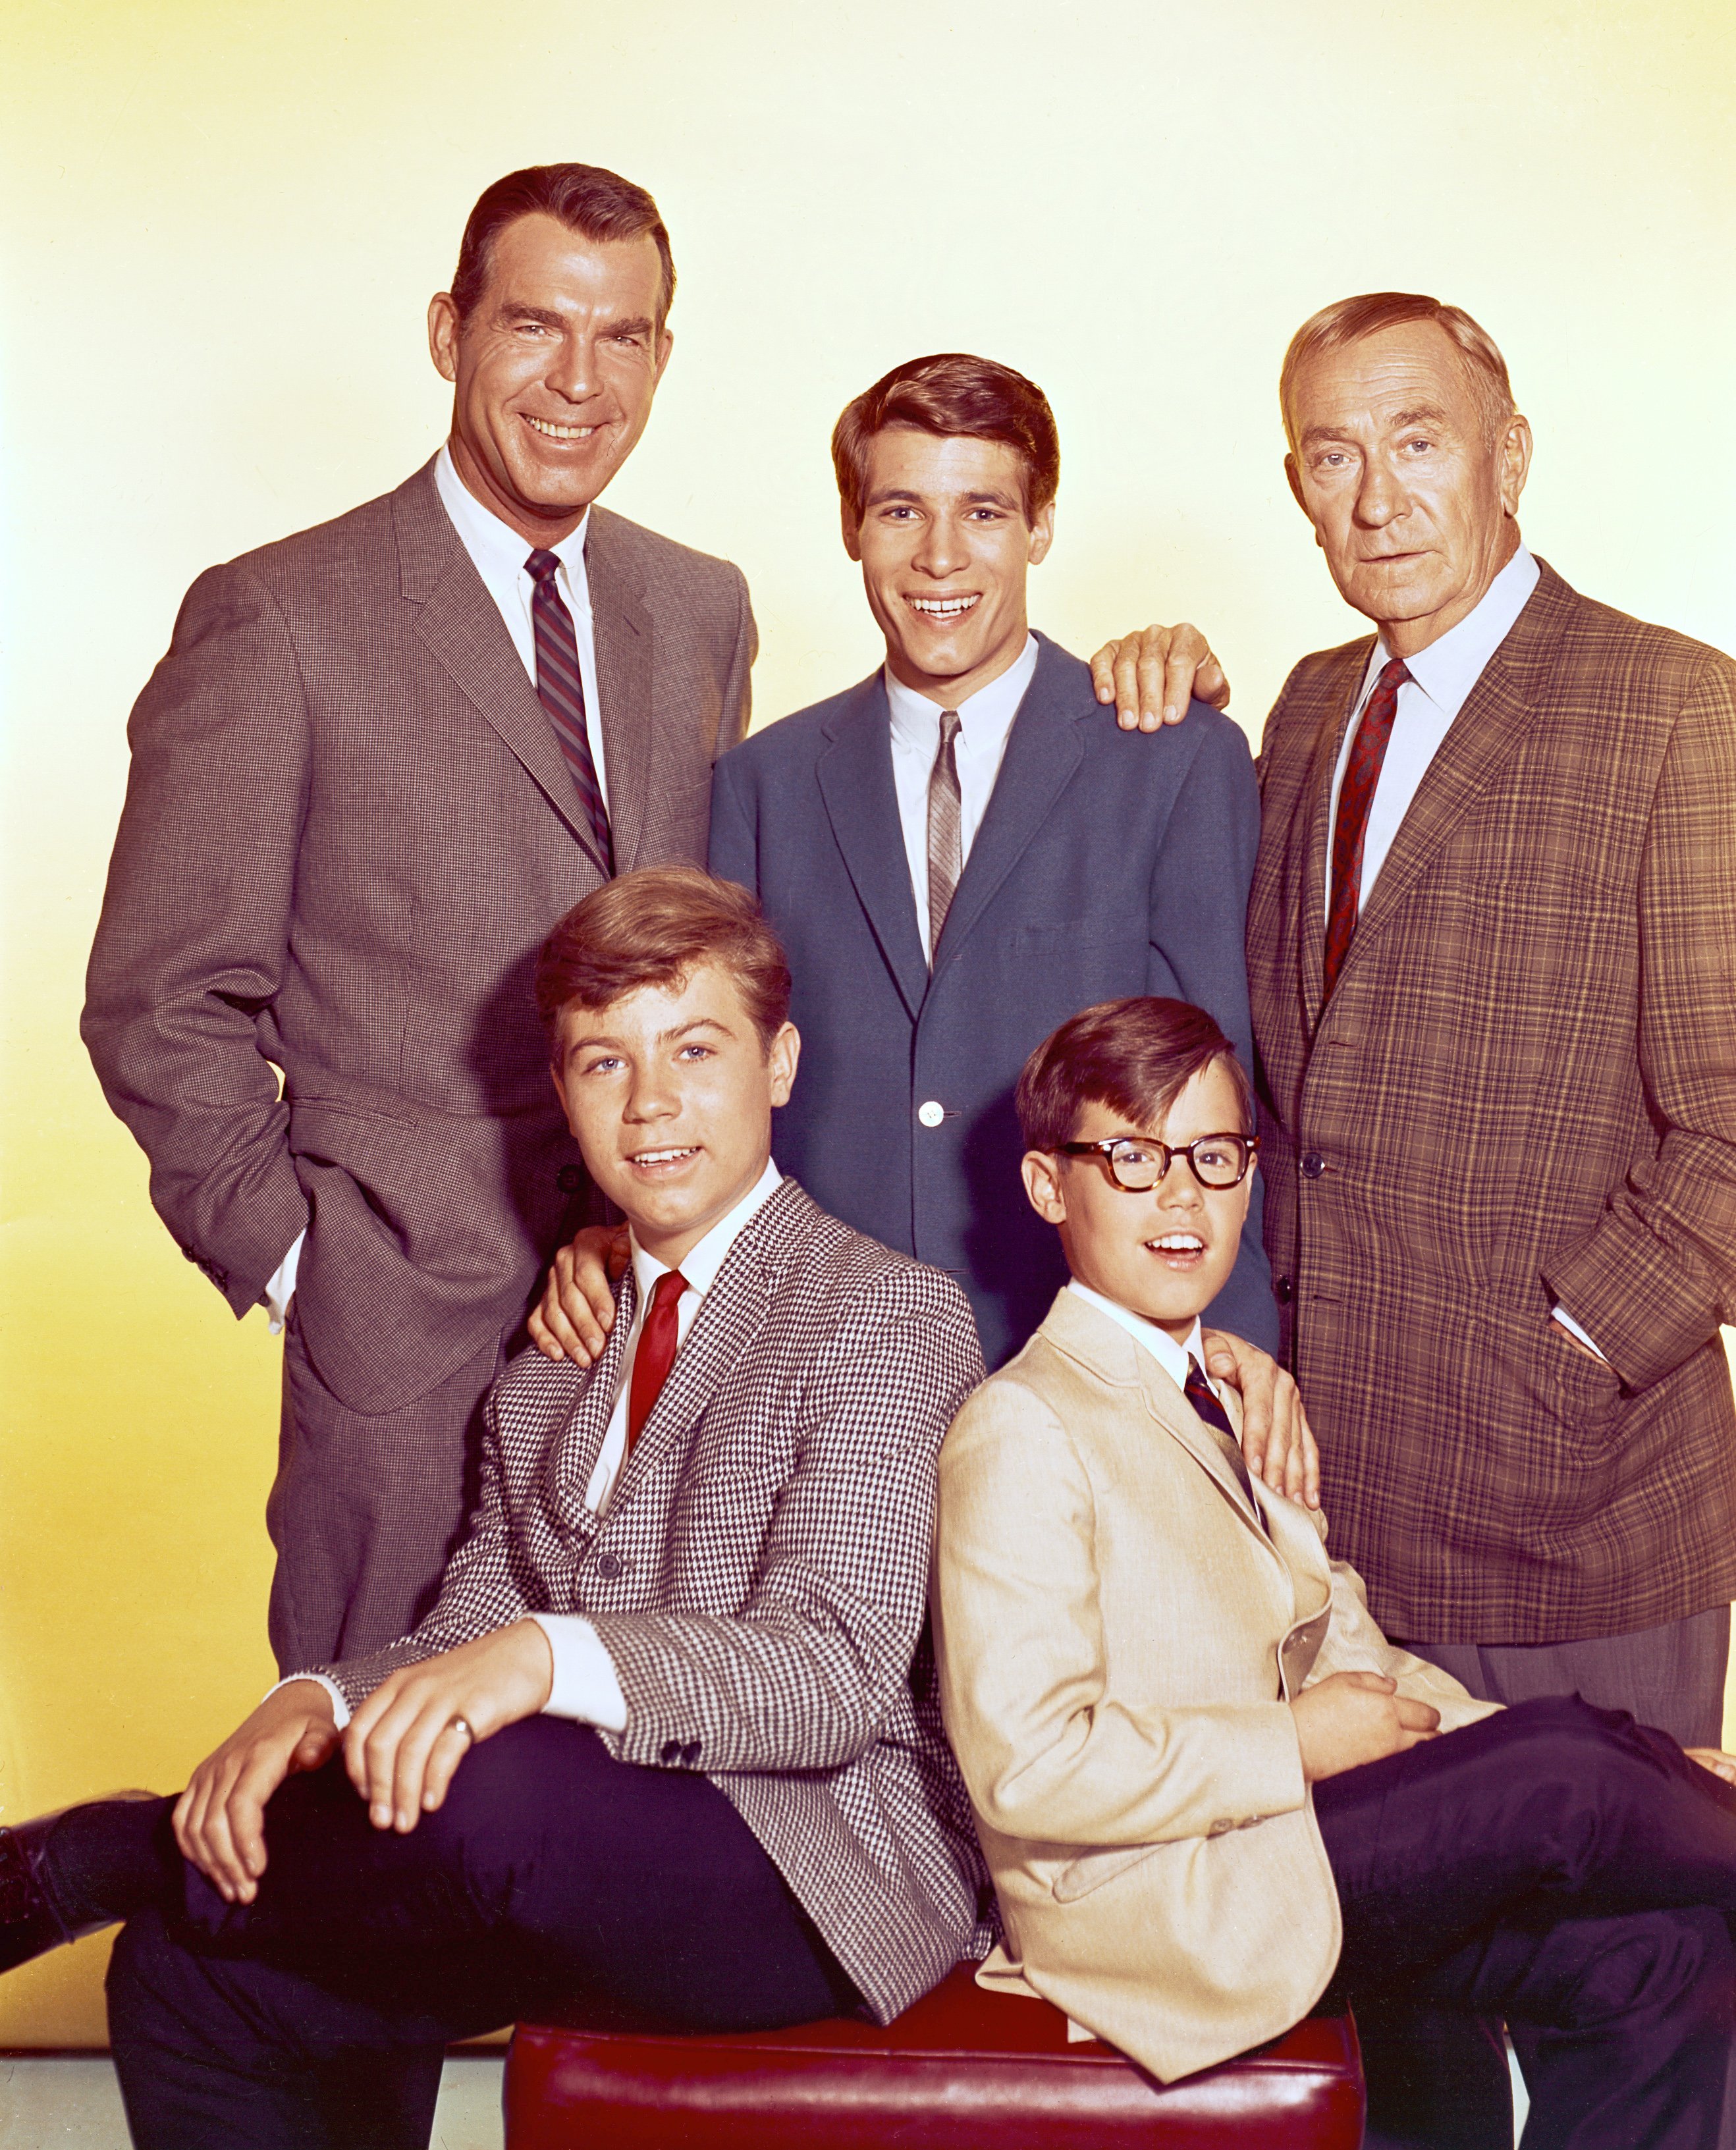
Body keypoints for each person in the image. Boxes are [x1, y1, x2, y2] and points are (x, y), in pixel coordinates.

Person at [5, 868, 992, 2150]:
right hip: (557, 1861)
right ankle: (147, 1882)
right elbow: (473, 1611)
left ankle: (107, 1852)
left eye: (695, 1050)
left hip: (815, 1864)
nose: (651, 1107)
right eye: (602, 1064)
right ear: (565, 1093)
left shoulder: (881, 1313)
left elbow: (836, 1672)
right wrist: (318, 1699)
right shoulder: (550, 1361)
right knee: (189, 1976)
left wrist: (542, 1658)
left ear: (780, 1061)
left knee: (497, 1780)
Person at [82, 163, 760, 1672]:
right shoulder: (282, 614)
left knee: (610, 1768)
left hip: (656, 1292)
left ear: (663, 355)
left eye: (625, 336)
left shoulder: (700, 607)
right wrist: (308, 1267)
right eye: (534, 327)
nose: (579, 383)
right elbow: (158, 999)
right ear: (449, 330)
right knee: (361, 1783)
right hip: (402, 1320)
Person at [1092, 292, 1736, 1753]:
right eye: (1331, 458)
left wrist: (1566, 1346)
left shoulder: (1678, 709)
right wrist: (1161, 707)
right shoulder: (1309, 708)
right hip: (1327, 1512)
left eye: (1417, 440)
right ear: (1295, 490)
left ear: (1508, 453)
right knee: (1382, 1967)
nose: (1376, 499)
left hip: (1584, 1525)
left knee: (1597, 1966)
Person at [933, 993, 1736, 2150]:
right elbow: (1030, 1768)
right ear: (1049, 1186)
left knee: (1669, 1958)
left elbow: (1355, 1657)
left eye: (1214, 1157)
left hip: (1293, 1845)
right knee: (1562, 1766)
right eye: (1133, 1156)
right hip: (1162, 1902)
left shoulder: (1236, 1399)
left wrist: (1592, 1759)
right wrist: (1297, 1742)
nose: (1181, 1197)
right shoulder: (1020, 1425)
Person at [535, 352, 1315, 1503]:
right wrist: (623, 1240)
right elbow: (718, 1077)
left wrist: (1228, 1350)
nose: (940, 558)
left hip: (1089, 1378)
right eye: (901, 510)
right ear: (853, 527)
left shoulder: (1173, 761)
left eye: (984, 512)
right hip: (818, 1393)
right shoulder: (763, 783)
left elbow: (1225, 1087)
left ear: (1042, 526)